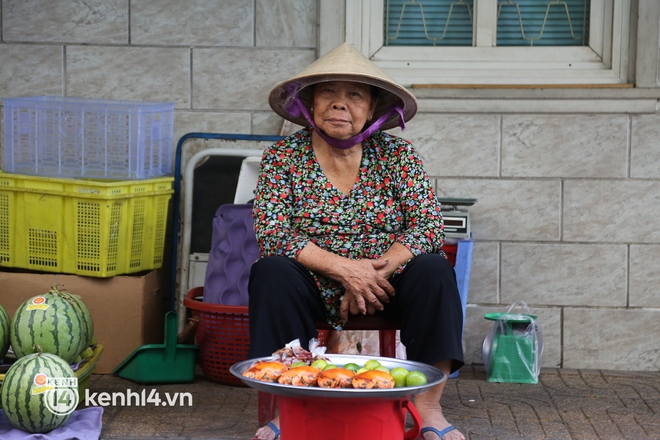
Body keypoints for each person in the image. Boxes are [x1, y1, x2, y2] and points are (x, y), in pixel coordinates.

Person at [247, 42, 465, 440]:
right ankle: (292, 402)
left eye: (354, 95)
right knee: (271, 272)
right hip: (313, 280)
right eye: (328, 92)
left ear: (373, 109)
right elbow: (273, 230)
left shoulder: (398, 156)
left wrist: (373, 271)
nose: (339, 104)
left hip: (385, 281)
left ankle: (428, 407)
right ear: (309, 103)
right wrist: (344, 270)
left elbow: (429, 225)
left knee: (434, 269)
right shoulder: (282, 158)